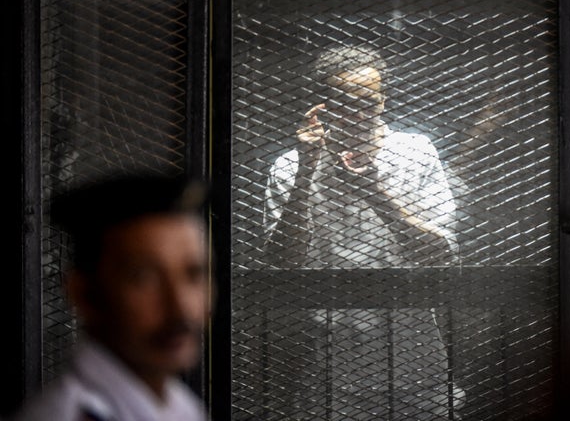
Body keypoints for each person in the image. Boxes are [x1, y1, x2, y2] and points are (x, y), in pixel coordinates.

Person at [258, 44, 464, 419]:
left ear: (383, 101)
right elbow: (282, 263)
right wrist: (307, 171)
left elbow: (440, 255)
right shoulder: (289, 166)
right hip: (330, 369)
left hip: (416, 362)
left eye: (366, 102)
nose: (356, 113)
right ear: (323, 105)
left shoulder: (415, 152)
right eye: (343, 102)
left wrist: (375, 192)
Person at [11, 174, 213, 421]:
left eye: (194, 275)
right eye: (144, 278)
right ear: (83, 294)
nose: (180, 308)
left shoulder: (179, 406)